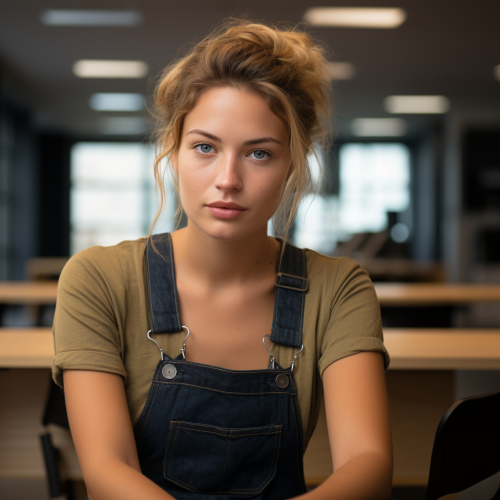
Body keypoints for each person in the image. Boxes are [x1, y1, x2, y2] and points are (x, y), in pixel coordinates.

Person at [52, 19, 393, 500]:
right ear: (173, 150)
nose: (227, 179)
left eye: (258, 154)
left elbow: (369, 465)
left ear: (293, 163)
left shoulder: (339, 288)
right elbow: (110, 469)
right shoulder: (99, 279)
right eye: (205, 147)